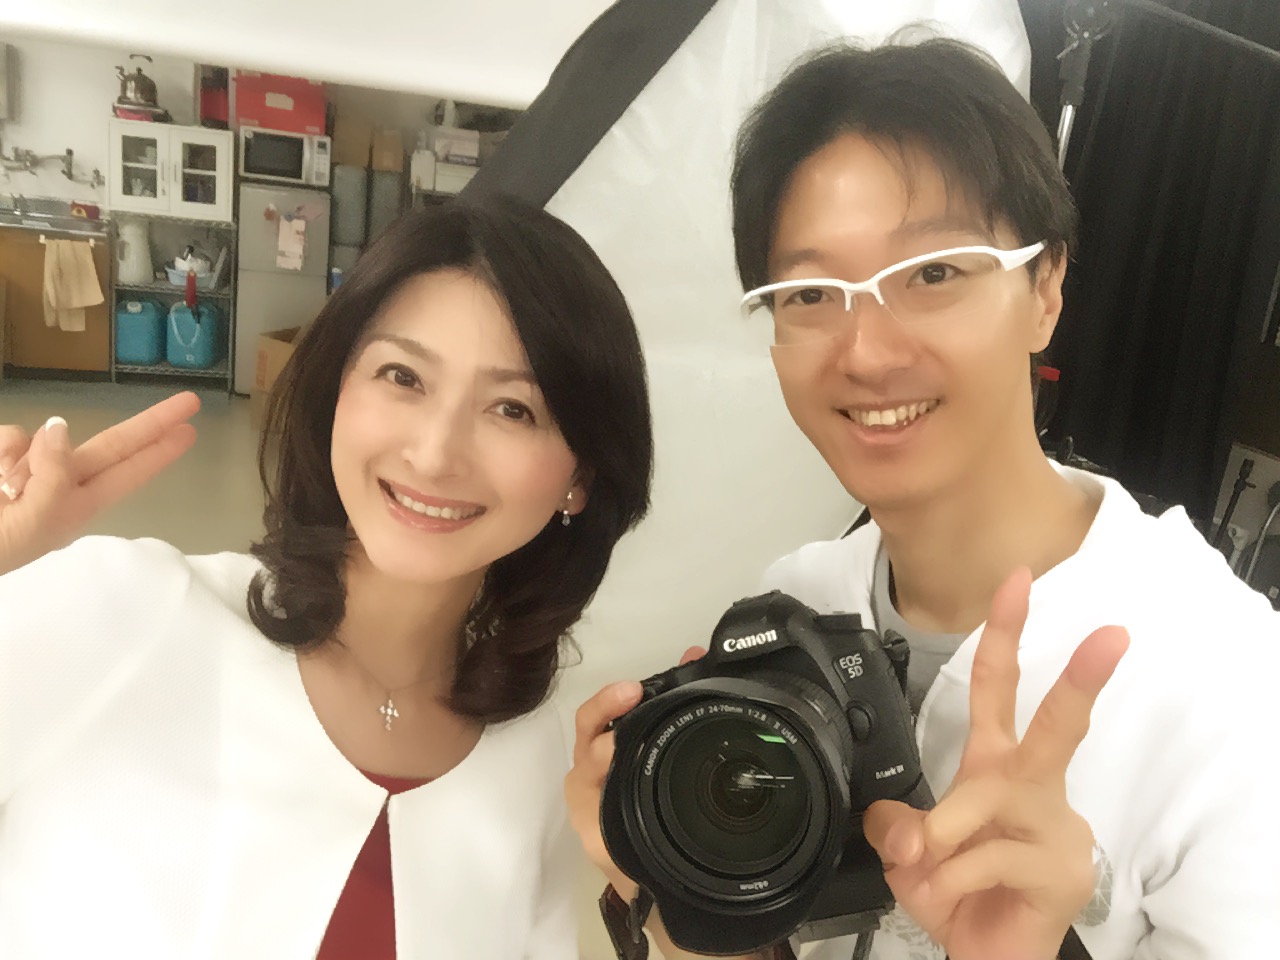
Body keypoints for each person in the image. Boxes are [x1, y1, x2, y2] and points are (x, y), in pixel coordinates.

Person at [566, 36, 1280, 960]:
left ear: (1046, 289)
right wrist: (664, 886)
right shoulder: (796, 603)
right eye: (810, 293)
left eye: (934, 274)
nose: (865, 351)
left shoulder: (1231, 683)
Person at [0, 196, 653, 959]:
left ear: (581, 476)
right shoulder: (129, 610)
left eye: (512, 409)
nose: (434, 453)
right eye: (403, 376)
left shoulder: (540, 761)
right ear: (335, 391)